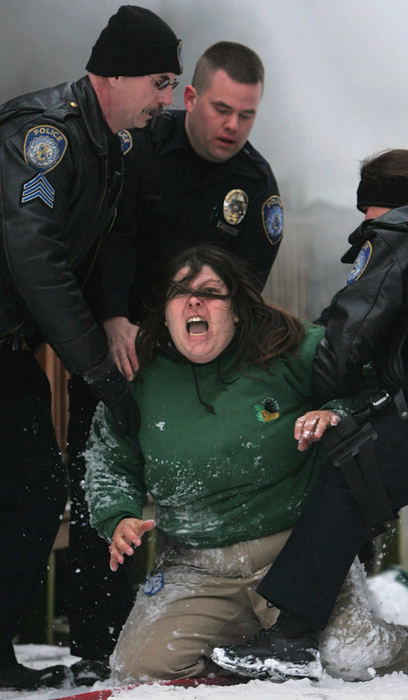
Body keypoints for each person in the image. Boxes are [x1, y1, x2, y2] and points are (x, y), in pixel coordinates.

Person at [83, 245, 408, 684]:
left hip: (298, 553)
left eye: (211, 292)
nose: (194, 302)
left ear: (237, 310)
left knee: (349, 656)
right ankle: (249, 659)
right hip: (194, 566)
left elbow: (370, 381)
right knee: (137, 670)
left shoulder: (285, 350)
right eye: (180, 292)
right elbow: (108, 458)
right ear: (165, 314)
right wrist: (118, 515)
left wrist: (333, 410)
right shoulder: (139, 378)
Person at [211, 149, 408, 681]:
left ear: (378, 207)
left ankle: (290, 639)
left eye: (364, 216)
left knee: (351, 472)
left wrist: (315, 392)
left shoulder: (397, 231)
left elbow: (350, 334)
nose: (362, 227)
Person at [65, 41, 283, 683]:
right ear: (189, 96)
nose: (232, 127)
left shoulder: (254, 187)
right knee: (98, 491)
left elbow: (247, 296)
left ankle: (213, 627)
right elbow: (106, 238)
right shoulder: (135, 147)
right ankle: (92, 649)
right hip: (120, 344)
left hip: (199, 367)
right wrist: (110, 319)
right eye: (221, 109)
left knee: (206, 493)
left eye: (247, 115)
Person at [0, 5, 182, 690]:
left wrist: (111, 316)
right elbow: (35, 257)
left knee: (31, 491)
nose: (166, 100)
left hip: (10, 343)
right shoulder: (44, 140)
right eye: (161, 82)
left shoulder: (111, 145)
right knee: (32, 489)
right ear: (117, 74)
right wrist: (99, 370)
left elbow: (105, 247)